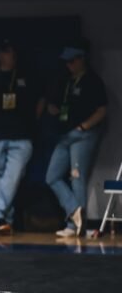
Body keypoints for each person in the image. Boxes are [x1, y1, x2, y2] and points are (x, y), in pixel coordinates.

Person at [0, 39, 43, 234]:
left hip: (21, 136)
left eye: (12, 52)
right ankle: (5, 219)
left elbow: (41, 99)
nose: (9, 55)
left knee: (12, 176)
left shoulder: (26, 76)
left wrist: (32, 122)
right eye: (5, 52)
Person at [45, 39, 107, 237]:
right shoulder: (65, 81)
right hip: (65, 135)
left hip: (83, 135)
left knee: (76, 178)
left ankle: (75, 226)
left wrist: (83, 126)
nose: (69, 65)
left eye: (72, 61)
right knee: (52, 176)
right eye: (67, 62)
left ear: (82, 59)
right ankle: (73, 210)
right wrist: (52, 110)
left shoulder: (93, 81)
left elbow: (101, 110)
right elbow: (52, 104)